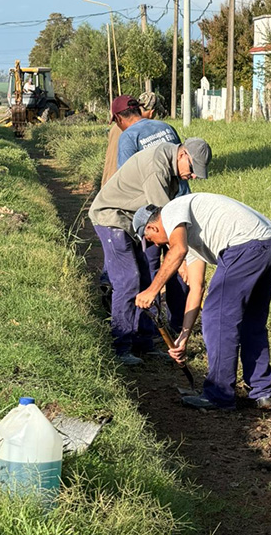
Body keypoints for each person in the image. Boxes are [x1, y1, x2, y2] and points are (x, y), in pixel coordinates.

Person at [133, 194, 271, 411]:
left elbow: (178, 250)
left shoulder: (171, 211)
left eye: (149, 240)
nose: (154, 245)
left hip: (246, 245)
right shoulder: (191, 235)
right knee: (252, 320)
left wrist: (152, 290)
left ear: (152, 228)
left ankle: (219, 394)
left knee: (217, 318)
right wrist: (183, 337)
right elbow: (196, 289)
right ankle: (263, 392)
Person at [88, 138, 211, 365]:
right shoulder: (157, 168)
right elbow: (166, 221)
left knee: (146, 278)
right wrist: (181, 259)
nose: (193, 177)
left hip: (132, 220)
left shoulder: (171, 165)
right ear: (183, 155)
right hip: (111, 217)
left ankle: (144, 341)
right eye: (193, 170)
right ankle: (120, 345)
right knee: (128, 279)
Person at [101, 94, 190, 334]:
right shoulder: (166, 127)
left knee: (149, 271)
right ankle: (178, 326)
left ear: (119, 118)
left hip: (152, 218)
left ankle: (148, 328)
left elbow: (128, 177)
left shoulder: (128, 136)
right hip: (180, 204)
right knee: (177, 265)